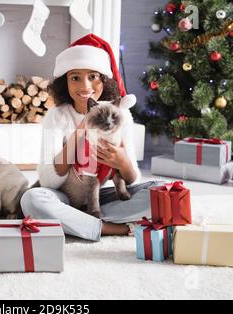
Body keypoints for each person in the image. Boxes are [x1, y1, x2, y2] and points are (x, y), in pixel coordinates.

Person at [20, 34, 164, 241]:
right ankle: (112, 228)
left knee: (160, 191)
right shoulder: (57, 116)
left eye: (93, 76)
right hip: (64, 197)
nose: (85, 86)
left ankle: (74, 222)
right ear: (65, 82)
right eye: (75, 77)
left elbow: (132, 180)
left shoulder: (119, 114)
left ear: (104, 79)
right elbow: (49, 181)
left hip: (104, 196)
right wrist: (79, 132)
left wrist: (122, 162)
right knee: (32, 199)